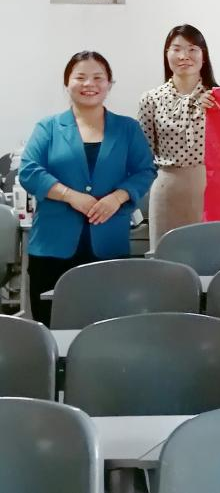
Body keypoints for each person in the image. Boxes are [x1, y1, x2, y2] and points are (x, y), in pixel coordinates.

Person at [19, 52, 157, 325]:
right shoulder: (49, 127)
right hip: (52, 246)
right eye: (80, 77)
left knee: (107, 326)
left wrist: (117, 198)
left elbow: (145, 170)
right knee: (52, 325)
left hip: (109, 244)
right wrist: (70, 196)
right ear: (67, 83)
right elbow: (29, 171)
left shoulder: (127, 128)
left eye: (98, 78)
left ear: (109, 84)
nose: (89, 84)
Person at [138, 25, 218, 249]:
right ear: (167, 55)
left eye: (192, 49)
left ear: (204, 56)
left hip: (211, 189)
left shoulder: (219, 97)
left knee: (210, 253)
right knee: (166, 255)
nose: (184, 56)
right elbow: (143, 155)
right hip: (167, 189)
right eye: (176, 49)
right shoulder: (150, 99)